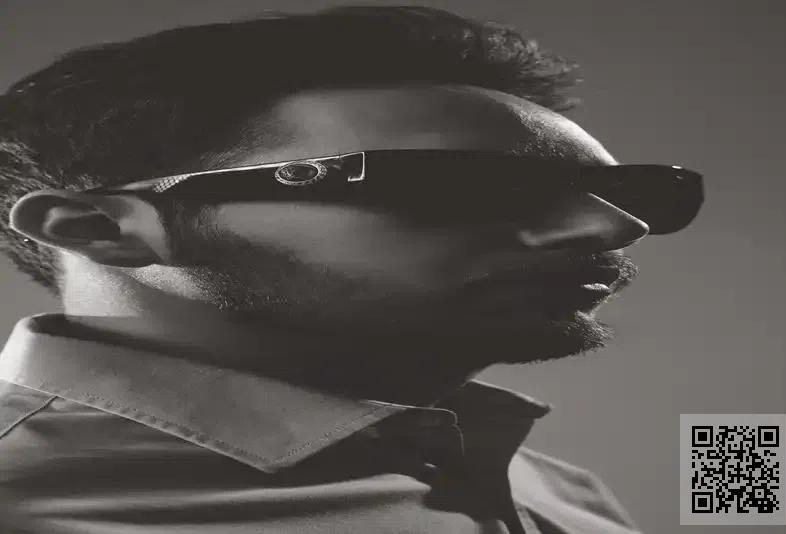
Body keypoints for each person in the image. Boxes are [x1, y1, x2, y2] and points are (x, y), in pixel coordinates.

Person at [0, 5, 703, 533]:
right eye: (469, 187)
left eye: (633, 194)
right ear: (98, 231)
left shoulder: (564, 493)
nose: (617, 227)